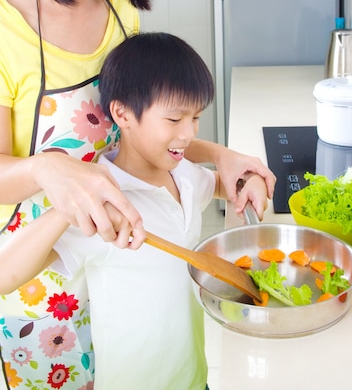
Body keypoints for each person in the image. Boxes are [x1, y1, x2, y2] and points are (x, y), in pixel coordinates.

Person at [0, 0, 275, 389]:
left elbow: (138, 132)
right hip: (45, 280)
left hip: (130, 263)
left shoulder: (121, 11)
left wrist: (220, 157)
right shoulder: (5, 32)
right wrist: (46, 169)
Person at [0, 32, 269, 390]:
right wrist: (67, 210)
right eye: (174, 120)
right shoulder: (103, 202)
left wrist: (243, 181)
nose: (188, 133)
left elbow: (216, 184)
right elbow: (5, 274)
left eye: (196, 118)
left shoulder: (183, 175)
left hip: (192, 375)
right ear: (122, 113)